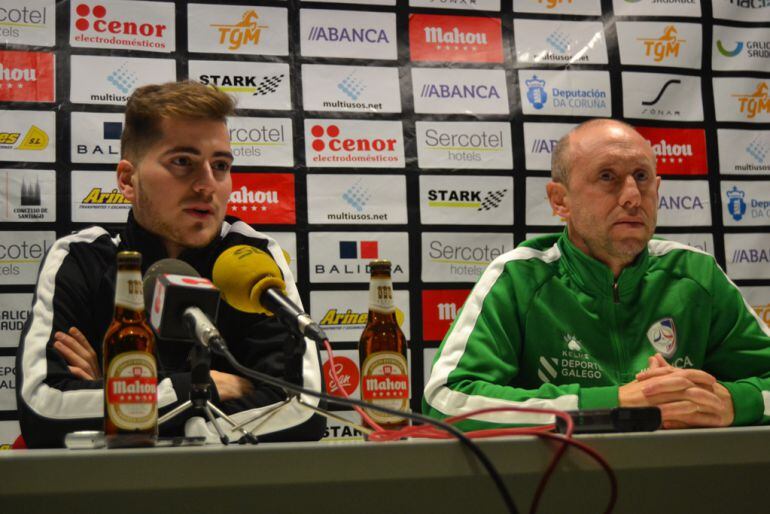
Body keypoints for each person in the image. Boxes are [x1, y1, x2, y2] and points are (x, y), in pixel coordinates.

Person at [15, 81, 325, 448]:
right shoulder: (80, 258)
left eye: (221, 165)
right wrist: (195, 388)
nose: (207, 185)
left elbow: (300, 412)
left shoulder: (253, 258)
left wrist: (122, 396)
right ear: (128, 180)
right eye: (183, 162)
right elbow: (45, 412)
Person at [423, 119, 770, 431]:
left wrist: (733, 402)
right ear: (560, 200)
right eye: (608, 177)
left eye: (642, 177)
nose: (633, 197)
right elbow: (446, 400)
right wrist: (613, 403)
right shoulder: (518, 278)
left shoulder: (697, 274)